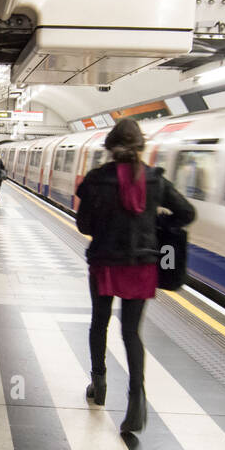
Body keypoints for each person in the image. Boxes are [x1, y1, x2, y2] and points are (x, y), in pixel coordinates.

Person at [75, 119, 194, 433]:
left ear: (111, 148)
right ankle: (136, 402)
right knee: (131, 333)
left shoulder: (97, 179)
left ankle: (98, 385)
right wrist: (156, 226)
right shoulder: (155, 181)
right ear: (141, 146)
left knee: (99, 323)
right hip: (141, 265)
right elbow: (187, 213)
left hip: (105, 263)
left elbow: (84, 226)